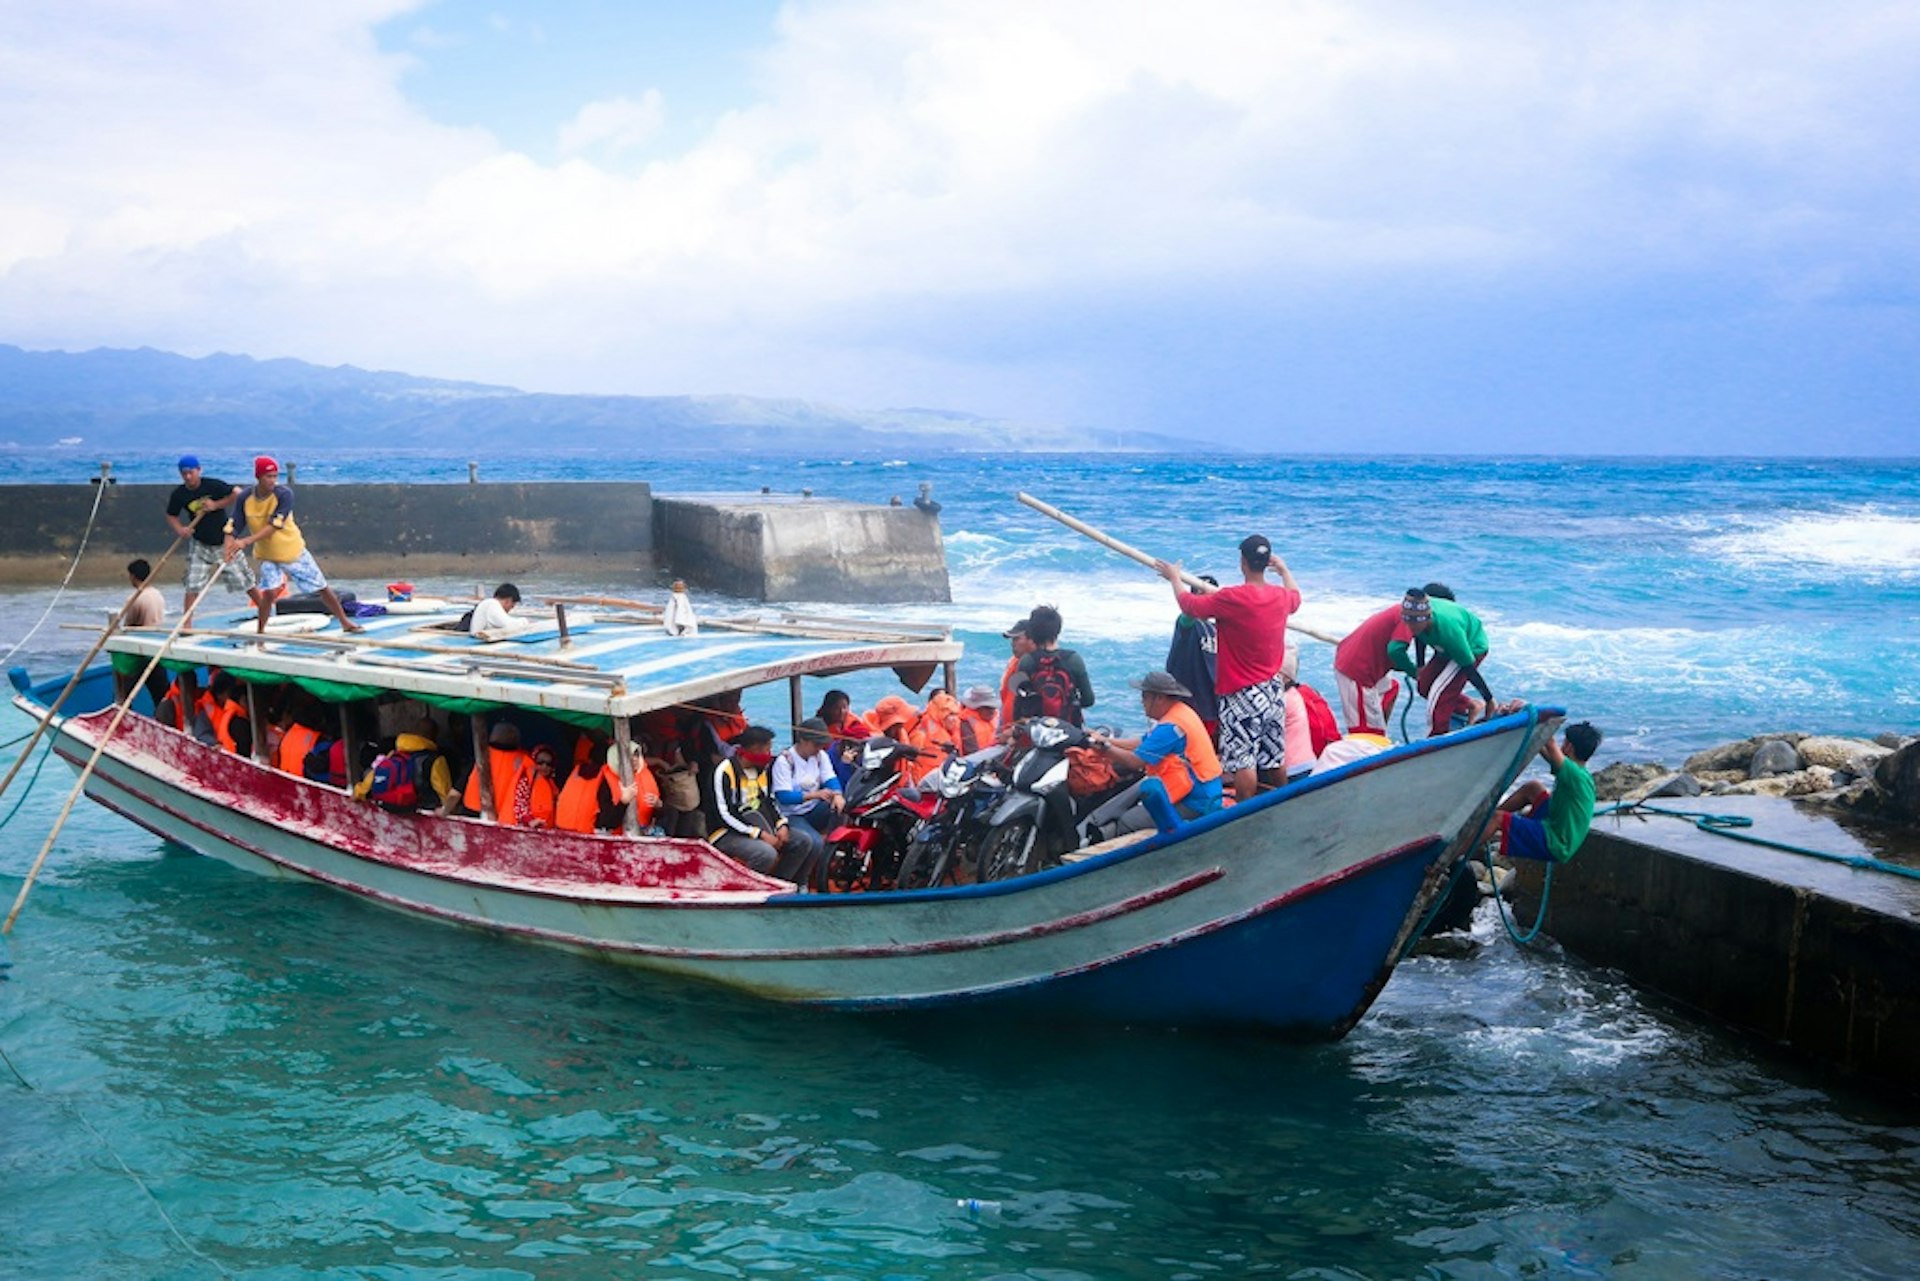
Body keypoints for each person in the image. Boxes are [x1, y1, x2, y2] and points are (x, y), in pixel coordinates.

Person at [1155, 534, 1301, 801]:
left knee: (1244, 761)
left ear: (1243, 562)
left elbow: (1190, 605)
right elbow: (1296, 597)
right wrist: (1283, 570)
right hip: (1272, 689)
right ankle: (1286, 802)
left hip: (1241, 692)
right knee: (1274, 755)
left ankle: (1242, 818)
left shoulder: (1233, 598)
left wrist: (1174, 578)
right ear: (1266, 561)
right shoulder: (1280, 596)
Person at [224, 456, 363, 635]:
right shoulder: (245, 497)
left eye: (275, 476)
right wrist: (228, 547)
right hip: (267, 554)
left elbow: (275, 525)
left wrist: (246, 541)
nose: (272, 480)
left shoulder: (284, 494)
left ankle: (345, 622)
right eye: (268, 476)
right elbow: (233, 524)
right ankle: (261, 632)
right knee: (268, 593)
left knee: (322, 587)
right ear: (258, 477)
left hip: (292, 551)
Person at [1085, 671, 1225, 837]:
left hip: (1196, 800)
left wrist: (1105, 748)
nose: (1142, 701)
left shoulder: (1171, 728)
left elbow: (1136, 761)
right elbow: (1143, 743)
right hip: (1199, 789)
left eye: (1145, 696)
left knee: (1128, 821)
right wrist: (1104, 739)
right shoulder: (1180, 712)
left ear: (1158, 698)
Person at [710, 725, 824, 886]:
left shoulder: (761, 771)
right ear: (755, 749)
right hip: (727, 832)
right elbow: (724, 814)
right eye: (767, 750)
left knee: (803, 841)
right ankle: (750, 889)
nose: (770, 754)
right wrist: (759, 834)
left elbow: (769, 801)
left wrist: (781, 824)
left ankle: (781, 884)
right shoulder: (724, 772)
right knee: (766, 853)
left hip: (760, 825)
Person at [1483, 721, 1603, 864]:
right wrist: (1534, 737)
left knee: (1498, 818)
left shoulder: (1575, 775)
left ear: (1569, 747)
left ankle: (1452, 854)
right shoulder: (1578, 772)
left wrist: (1541, 719)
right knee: (1533, 788)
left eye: (1564, 742)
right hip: (1557, 822)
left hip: (1557, 842)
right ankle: (1484, 823)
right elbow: (1549, 753)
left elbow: (1550, 744)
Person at [1390, 588, 1494, 737]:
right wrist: (1420, 666)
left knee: (1440, 696)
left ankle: (1437, 736)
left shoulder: (1449, 630)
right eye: (1409, 625)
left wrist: (1489, 699)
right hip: (1444, 648)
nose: (1411, 629)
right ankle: (1468, 707)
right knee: (1424, 686)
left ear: (1427, 618)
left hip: (1471, 647)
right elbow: (1419, 636)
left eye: (1416, 626)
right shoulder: (1413, 619)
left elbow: (1468, 668)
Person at [164, 455, 251, 617]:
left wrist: (216, 505)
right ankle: (187, 623)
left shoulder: (212, 485)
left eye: (191, 472)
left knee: (244, 580)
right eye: (184, 474)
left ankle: (264, 611)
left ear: (199, 470)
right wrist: (180, 529)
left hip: (224, 541)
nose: (188, 477)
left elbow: (238, 493)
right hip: (200, 543)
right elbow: (171, 515)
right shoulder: (179, 494)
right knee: (192, 583)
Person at [1332, 599, 1408, 737]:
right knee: (1365, 731)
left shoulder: (1400, 611)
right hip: (1356, 671)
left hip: (1355, 657)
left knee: (1390, 688)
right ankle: (1374, 736)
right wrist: (1414, 671)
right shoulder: (1409, 618)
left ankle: (1378, 726)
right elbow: (1396, 651)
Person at [1013, 605, 1096, 725]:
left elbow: (1019, 704)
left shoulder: (1027, 661)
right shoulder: (1074, 659)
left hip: (1038, 731)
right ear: (1057, 631)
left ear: (1032, 632)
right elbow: (1088, 700)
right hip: (1069, 730)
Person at [354, 718, 453, 813]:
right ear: (434, 737)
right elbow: (445, 794)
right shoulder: (436, 760)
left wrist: (358, 793)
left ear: (414, 732)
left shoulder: (393, 754)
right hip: (422, 816)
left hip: (391, 811)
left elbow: (370, 779)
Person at [451, 721, 537, 825]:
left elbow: (455, 794)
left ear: (492, 736)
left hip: (473, 816)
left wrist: (444, 811)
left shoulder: (481, 757)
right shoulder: (526, 762)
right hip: (506, 822)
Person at [1164, 575, 1220, 733]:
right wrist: (1175, 579)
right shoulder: (1188, 625)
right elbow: (1188, 613)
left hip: (1212, 706)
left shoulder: (1219, 629)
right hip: (1188, 704)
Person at [771, 717, 844, 836]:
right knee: (814, 843)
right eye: (816, 744)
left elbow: (829, 777)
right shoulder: (784, 761)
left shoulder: (820, 756)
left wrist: (837, 794)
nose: (819, 748)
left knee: (841, 809)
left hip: (813, 809)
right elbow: (783, 796)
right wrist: (814, 795)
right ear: (803, 740)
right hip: (792, 813)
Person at [115, 559, 169, 708]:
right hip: (157, 648)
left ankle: (124, 717)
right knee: (161, 694)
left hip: (139, 652)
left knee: (124, 694)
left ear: (133, 576)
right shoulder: (157, 594)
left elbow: (128, 627)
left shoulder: (136, 598)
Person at [555, 739, 632, 833]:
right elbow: (608, 821)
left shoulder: (575, 772)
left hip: (561, 833)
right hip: (588, 837)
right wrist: (623, 803)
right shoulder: (606, 779)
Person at [997, 618, 1034, 727]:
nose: (1013, 644)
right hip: (1007, 725)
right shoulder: (1013, 662)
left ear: (1031, 640)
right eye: (1012, 640)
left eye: (1017, 639)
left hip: (1022, 732)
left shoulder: (1037, 666)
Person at [955, 686, 1000, 753]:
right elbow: (971, 751)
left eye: (993, 707)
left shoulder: (997, 716)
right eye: (987, 707)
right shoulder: (965, 723)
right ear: (977, 708)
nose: (992, 711)